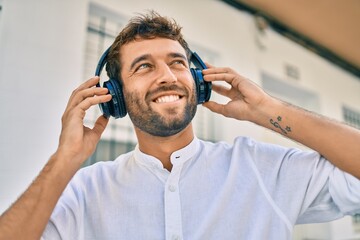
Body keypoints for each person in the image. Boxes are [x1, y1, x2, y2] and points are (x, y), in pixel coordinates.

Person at [0, 11, 360, 240]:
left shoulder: (263, 169)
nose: (168, 76)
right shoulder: (84, 192)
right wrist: (65, 159)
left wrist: (267, 109)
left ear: (199, 82)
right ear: (114, 95)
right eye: (143, 66)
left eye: (177, 62)